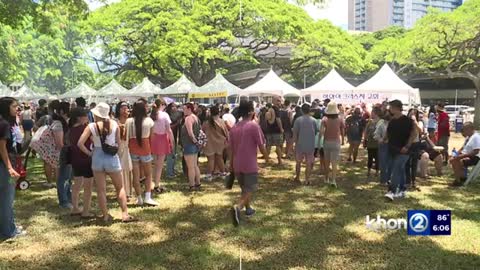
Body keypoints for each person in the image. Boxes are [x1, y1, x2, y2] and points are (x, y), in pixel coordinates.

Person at [77, 102, 136, 222]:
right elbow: (118, 143)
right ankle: (124, 214)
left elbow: (80, 143)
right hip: (111, 157)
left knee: (101, 190)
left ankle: (105, 215)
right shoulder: (114, 124)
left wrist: (90, 153)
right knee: (120, 188)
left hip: (97, 157)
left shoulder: (91, 126)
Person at [229, 100, 268, 226]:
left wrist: (230, 164)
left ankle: (248, 209)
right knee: (250, 188)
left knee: (244, 189)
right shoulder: (253, 126)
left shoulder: (234, 127)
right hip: (249, 163)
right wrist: (267, 158)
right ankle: (238, 207)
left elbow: (230, 148)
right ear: (251, 112)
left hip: (237, 163)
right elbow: (261, 146)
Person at [0, 97, 25, 240]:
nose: (18, 109)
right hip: (5, 166)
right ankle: (9, 231)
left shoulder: (6, 123)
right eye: (15, 106)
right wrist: (10, 167)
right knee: (7, 198)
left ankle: (8, 226)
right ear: (6, 108)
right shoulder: (3, 124)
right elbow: (2, 148)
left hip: (5, 164)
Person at [126, 101, 157, 206]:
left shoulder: (129, 121)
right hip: (145, 148)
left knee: (136, 175)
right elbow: (151, 138)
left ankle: (139, 198)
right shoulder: (149, 121)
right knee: (148, 174)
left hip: (133, 149)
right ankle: (148, 197)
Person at [384, 100, 415, 201]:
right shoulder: (392, 121)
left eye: (391, 107)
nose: (390, 109)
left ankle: (391, 191)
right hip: (392, 149)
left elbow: (413, 134)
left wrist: (407, 146)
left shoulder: (408, 120)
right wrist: (384, 139)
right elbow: (388, 133)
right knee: (400, 170)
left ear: (396, 108)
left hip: (404, 150)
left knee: (396, 169)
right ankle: (402, 189)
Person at [68, 108, 94, 218]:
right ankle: (86, 211)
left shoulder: (71, 129)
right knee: (88, 187)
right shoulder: (85, 128)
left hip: (75, 159)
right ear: (79, 117)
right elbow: (92, 140)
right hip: (86, 160)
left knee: (77, 184)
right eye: (86, 115)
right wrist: (89, 153)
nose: (88, 117)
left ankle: (75, 207)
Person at [51, 101, 72, 209]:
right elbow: (60, 144)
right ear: (62, 111)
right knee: (63, 177)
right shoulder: (58, 124)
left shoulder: (62, 122)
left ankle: (68, 199)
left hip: (65, 153)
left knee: (67, 177)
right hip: (62, 154)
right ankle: (64, 201)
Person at [151, 98, 174, 193]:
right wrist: (172, 141)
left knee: (154, 164)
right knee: (160, 164)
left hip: (153, 139)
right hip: (162, 139)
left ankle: (152, 183)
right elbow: (168, 130)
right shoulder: (164, 115)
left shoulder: (150, 115)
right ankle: (156, 184)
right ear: (161, 105)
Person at [202, 106, 229, 181]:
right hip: (220, 143)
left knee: (211, 159)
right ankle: (223, 173)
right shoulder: (221, 121)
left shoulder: (206, 122)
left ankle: (209, 175)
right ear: (219, 112)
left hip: (209, 143)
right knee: (219, 158)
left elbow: (202, 131)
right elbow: (226, 132)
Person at [292, 104, 317, 185]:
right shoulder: (313, 120)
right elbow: (316, 132)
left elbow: (295, 134)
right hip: (310, 144)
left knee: (298, 162)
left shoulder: (298, 120)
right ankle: (307, 179)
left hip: (300, 144)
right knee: (309, 162)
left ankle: (297, 177)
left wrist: (293, 145)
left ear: (302, 110)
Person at [321, 102, 345, 188]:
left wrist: (320, 141)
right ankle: (333, 180)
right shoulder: (340, 119)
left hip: (327, 142)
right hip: (336, 142)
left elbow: (321, 132)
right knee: (334, 162)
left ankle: (326, 178)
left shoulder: (324, 119)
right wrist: (343, 140)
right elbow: (342, 130)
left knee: (326, 162)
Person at [180, 103, 202, 191]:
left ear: (189, 109)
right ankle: (198, 183)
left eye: (184, 109)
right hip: (194, 145)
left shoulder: (188, 118)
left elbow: (190, 133)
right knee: (195, 165)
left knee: (190, 167)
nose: (183, 110)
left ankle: (192, 185)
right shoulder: (196, 117)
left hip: (189, 144)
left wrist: (195, 141)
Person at [115, 101, 133, 199]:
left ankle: (128, 192)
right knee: (119, 170)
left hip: (128, 148)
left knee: (128, 169)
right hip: (118, 148)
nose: (125, 109)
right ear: (118, 109)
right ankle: (121, 191)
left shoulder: (130, 121)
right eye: (122, 107)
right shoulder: (115, 121)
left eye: (126, 107)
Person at [405, 108, 424, 190]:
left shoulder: (419, 122)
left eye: (414, 114)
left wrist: (415, 121)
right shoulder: (405, 123)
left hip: (415, 144)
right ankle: (407, 181)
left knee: (414, 163)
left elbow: (421, 131)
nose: (412, 115)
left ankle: (413, 181)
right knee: (406, 163)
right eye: (411, 113)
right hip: (407, 144)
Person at [265, 96, 284, 165]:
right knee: (278, 146)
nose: (280, 102)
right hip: (276, 130)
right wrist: (281, 128)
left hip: (269, 130)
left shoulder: (269, 109)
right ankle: (280, 161)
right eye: (278, 100)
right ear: (274, 101)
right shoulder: (276, 109)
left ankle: (266, 160)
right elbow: (278, 120)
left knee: (268, 146)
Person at [166, 103, 182, 178]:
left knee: (173, 155)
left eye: (175, 106)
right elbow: (169, 128)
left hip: (175, 137)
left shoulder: (177, 115)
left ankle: (172, 170)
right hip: (168, 138)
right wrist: (177, 123)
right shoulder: (167, 116)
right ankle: (169, 172)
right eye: (172, 106)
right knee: (170, 155)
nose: (174, 108)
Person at [374, 109, 390, 185]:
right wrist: (381, 140)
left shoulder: (393, 123)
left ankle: (389, 179)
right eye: (387, 114)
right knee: (383, 163)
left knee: (390, 163)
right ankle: (383, 180)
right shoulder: (381, 124)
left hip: (392, 146)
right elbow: (376, 135)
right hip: (383, 146)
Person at [364, 107, 381, 179]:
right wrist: (365, 140)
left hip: (378, 144)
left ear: (376, 113)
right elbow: (366, 131)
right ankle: (368, 170)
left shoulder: (381, 122)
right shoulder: (370, 122)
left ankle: (377, 171)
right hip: (370, 143)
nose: (371, 114)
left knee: (377, 158)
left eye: (372, 113)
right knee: (370, 157)